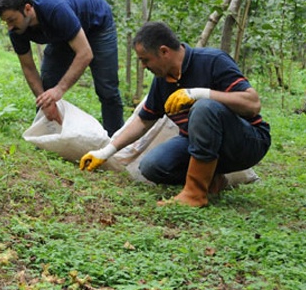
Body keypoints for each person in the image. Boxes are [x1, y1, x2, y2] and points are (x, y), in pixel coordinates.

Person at [80, 22, 271, 207]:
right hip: (200, 144)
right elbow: (143, 121)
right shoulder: (162, 81)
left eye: (145, 60)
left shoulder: (213, 61)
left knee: (204, 107)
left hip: (248, 141)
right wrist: (105, 152)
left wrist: (199, 93)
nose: (144, 66)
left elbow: (253, 104)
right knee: (152, 166)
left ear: (164, 51)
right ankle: (212, 179)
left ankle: (194, 193)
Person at [0, 0, 125, 137]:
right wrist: (46, 103)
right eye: (6, 22)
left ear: (27, 9)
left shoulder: (55, 10)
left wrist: (59, 90)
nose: (9, 27)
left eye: (11, 20)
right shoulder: (16, 30)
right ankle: (45, 136)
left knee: (107, 89)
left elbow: (85, 53)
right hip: (64, 34)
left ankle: (115, 142)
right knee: (48, 84)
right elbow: (28, 68)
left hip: (97, 25)